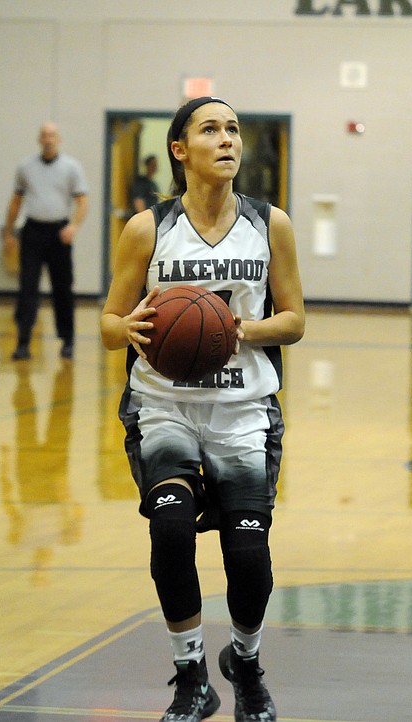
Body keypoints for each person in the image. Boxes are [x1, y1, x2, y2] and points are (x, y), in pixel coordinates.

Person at [100, 97, 305, 722]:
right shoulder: (147, 228)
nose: (228, 140)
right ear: (180, 150)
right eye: (210, 129)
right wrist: (128, 326)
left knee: (248, 555)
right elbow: (109, 324)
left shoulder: (271, 223)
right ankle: (191, 675)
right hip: (164, 407)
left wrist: (240, 329)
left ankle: (244, 661)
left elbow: (294, 320)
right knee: (170, 531)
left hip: (243, 409)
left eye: (234, 129)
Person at [2, 122, 88, 361]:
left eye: (52, 136)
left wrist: (74, 226)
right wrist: (9, 232)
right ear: (39, 139)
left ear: (58, 139)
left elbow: (83, 200)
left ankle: (67, 340)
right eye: (44, 136)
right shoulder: (25, 167)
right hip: (32, 231)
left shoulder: (71, 167)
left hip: (59, 233)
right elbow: (16, 201)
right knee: (27, 288)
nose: (48, 139)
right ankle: (23, 342)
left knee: (63, 288)